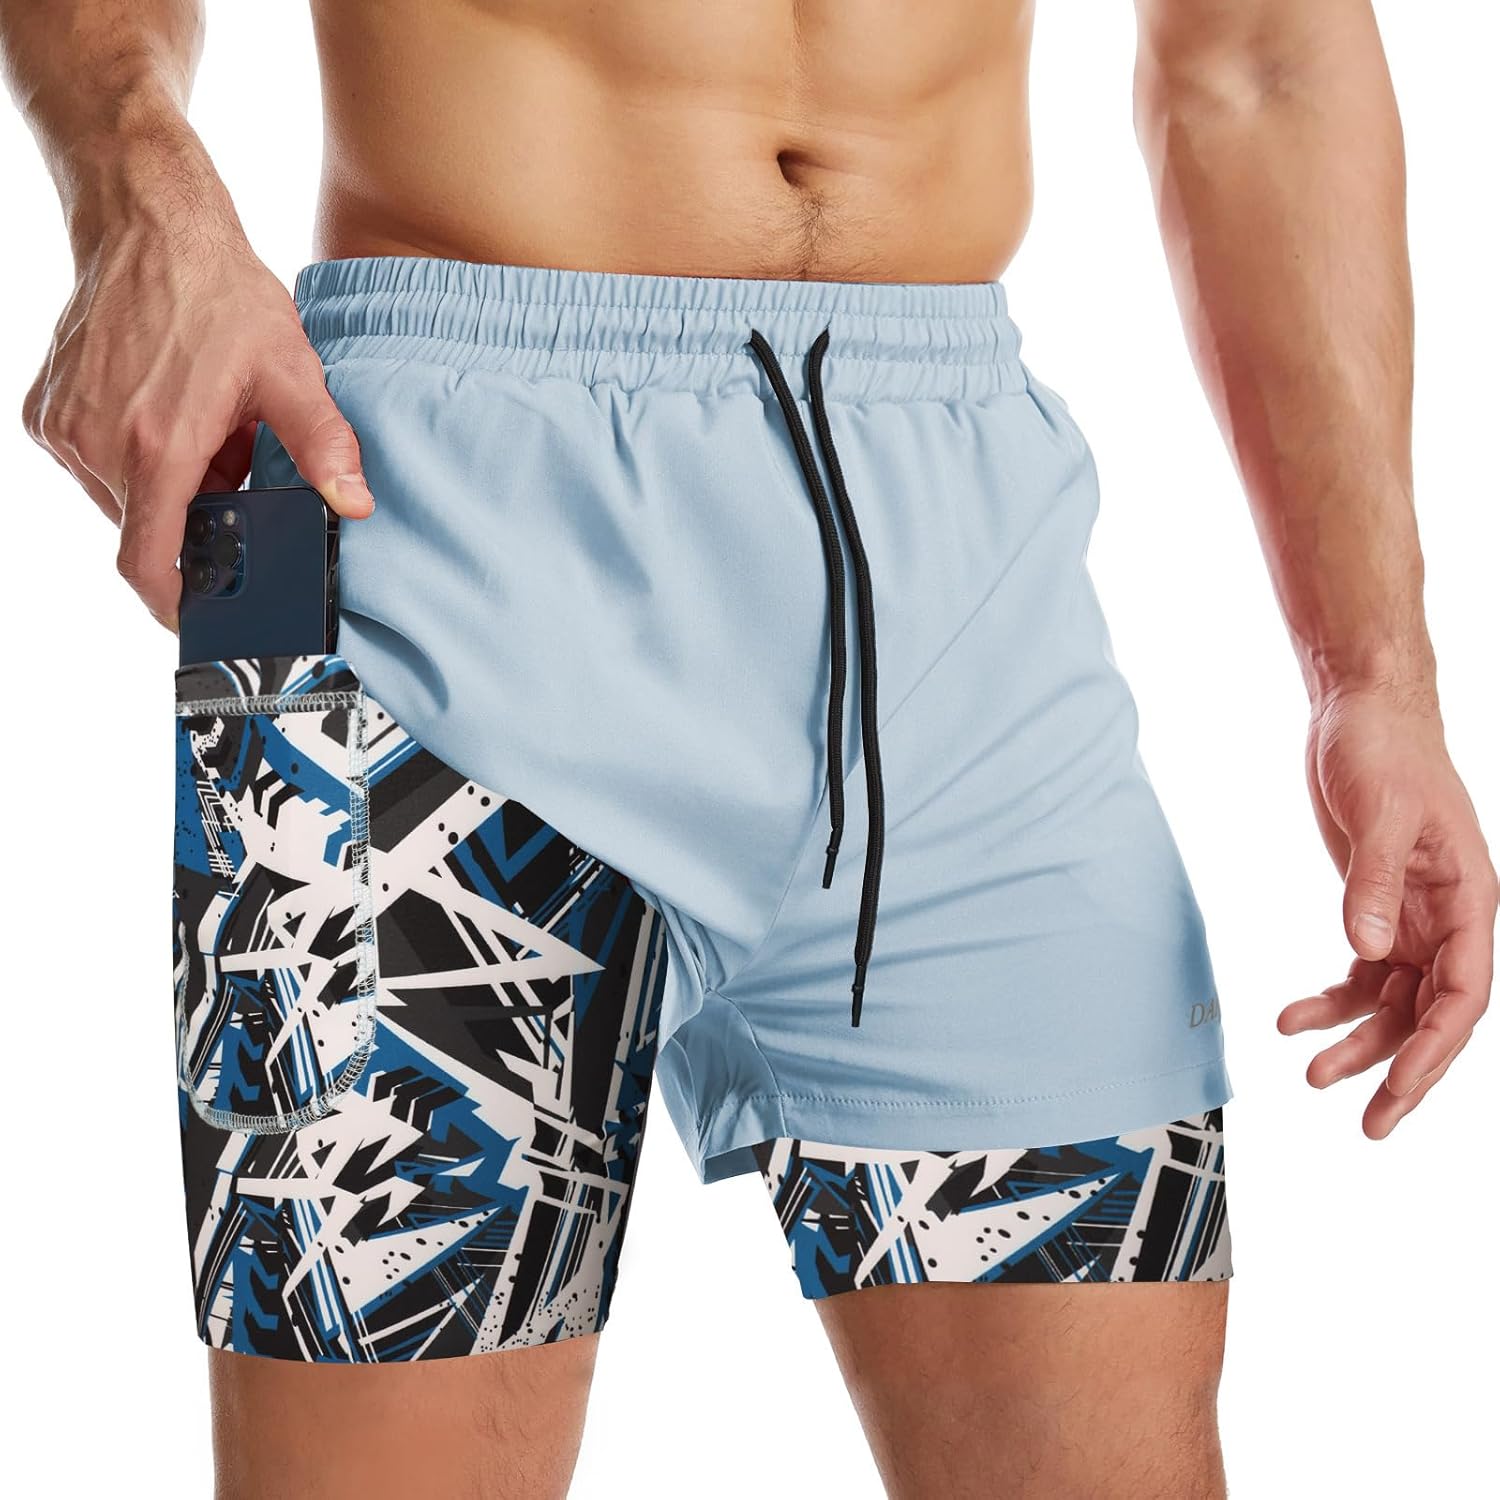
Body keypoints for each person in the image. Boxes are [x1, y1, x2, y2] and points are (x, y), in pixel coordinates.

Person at [3, 2, 1494, 1496]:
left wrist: (1372, 673)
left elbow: (1258, 54)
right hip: (432, 545)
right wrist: (140, 190)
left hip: (965, 602)